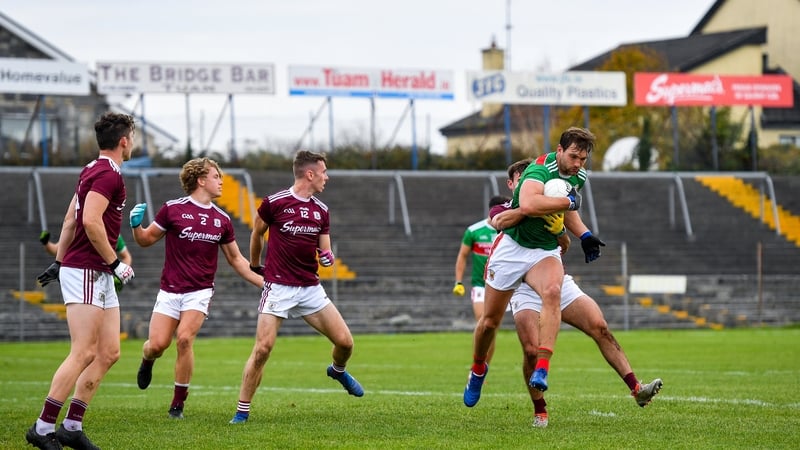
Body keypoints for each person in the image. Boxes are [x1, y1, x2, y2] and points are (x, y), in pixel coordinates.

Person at [490, 157, 663, 428]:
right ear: (512, 184)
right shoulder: (505, 206)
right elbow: (500, 220)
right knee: (531, 350)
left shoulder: (550, 200)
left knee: (599, 326)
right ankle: (540, 409)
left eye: (531, 181)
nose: (527, 184)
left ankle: (636, 388)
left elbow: (564, 244)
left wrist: (564, 230)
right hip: (523, 288)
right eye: (521, 181)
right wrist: (532, 208)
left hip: (554, 282)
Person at [463, 127, 600, 409]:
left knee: (553, 291)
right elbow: (513, 214)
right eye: (574, 156)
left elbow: (563, 220)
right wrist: (558, 205)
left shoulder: (577, 176)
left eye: (583, 159)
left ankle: (543, 367)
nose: (578, 164)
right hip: (511, 252)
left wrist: (581, 234)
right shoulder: (528, 182)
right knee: (489, 322)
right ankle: (478, 369)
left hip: (541, 254)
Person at [229, 150, 364, 425]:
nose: (327, 177)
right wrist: (256, 265)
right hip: (278, 287)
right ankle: (242, 411)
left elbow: (324, 250)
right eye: (324, 172)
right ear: (309, 174)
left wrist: (327, 257)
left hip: (310, 288)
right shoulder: (274, 203)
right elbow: (257, 233)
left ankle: (338, 371)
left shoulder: (322, 210)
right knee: (263, 348)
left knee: (346, 343)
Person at [27, 112, 136, 450]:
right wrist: (115, 262)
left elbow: (70, 216)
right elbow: (88, 220)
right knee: (84, 351)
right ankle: (43, 427)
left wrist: (59, 260)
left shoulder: (92, 169)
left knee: (109, 351)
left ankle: (71, 426)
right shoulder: (107, 175)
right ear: (123, 141)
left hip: (91, 270)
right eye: (132, 136)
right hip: (90, 268)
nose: (134, 142)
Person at [130, 157, 264, 419]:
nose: (221, 181)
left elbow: (237, 260)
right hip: (169, 291)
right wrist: (136, 226)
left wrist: (267, 283)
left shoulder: (222, 219)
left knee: (183, 339)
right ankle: (147, 360)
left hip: (199, 291)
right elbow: (145, 240)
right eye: (216, 176)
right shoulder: (172, 209)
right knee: (156, 345)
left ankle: (177, 404)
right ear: (201, 180)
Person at [452, 194, 510, 363]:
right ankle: (477, 367)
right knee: (485, 325)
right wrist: (458, 281)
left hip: (503, 287)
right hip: (480, 286)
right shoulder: (474, 231)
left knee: (492, 329)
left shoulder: (510, 231)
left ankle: (482, 369)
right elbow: (462, 256)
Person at [40, 230, 132, 265]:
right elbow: (56, 250)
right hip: (81, 279)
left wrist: (120, 276)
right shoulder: (77, 231)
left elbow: (126, 257)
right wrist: (46, 243)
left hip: (104, 282)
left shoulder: (114, 234)